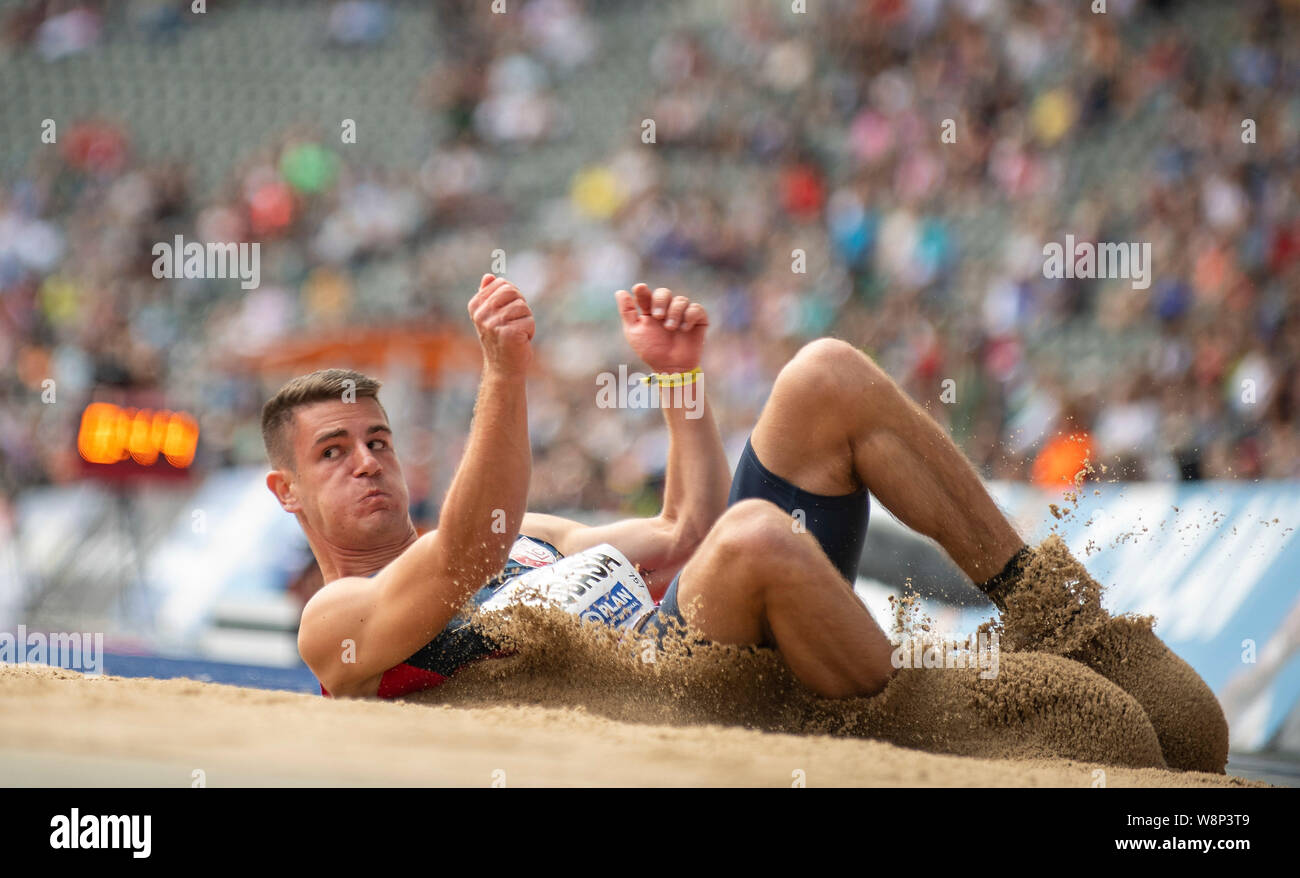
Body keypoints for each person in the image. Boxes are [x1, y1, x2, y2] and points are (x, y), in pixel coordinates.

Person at [263, 274, 1227, 773]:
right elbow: (459, 553)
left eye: (377, 439)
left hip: (731, 636)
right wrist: (506, 376)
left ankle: (1060, 617)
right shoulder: (337, 619)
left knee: (823, 376)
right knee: (757, 540)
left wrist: (680, 382)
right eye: (333, 452)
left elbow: (686, 529)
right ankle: (947, 723)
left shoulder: (533, 539)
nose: (367, 462)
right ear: (287, 494)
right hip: (677, 712)